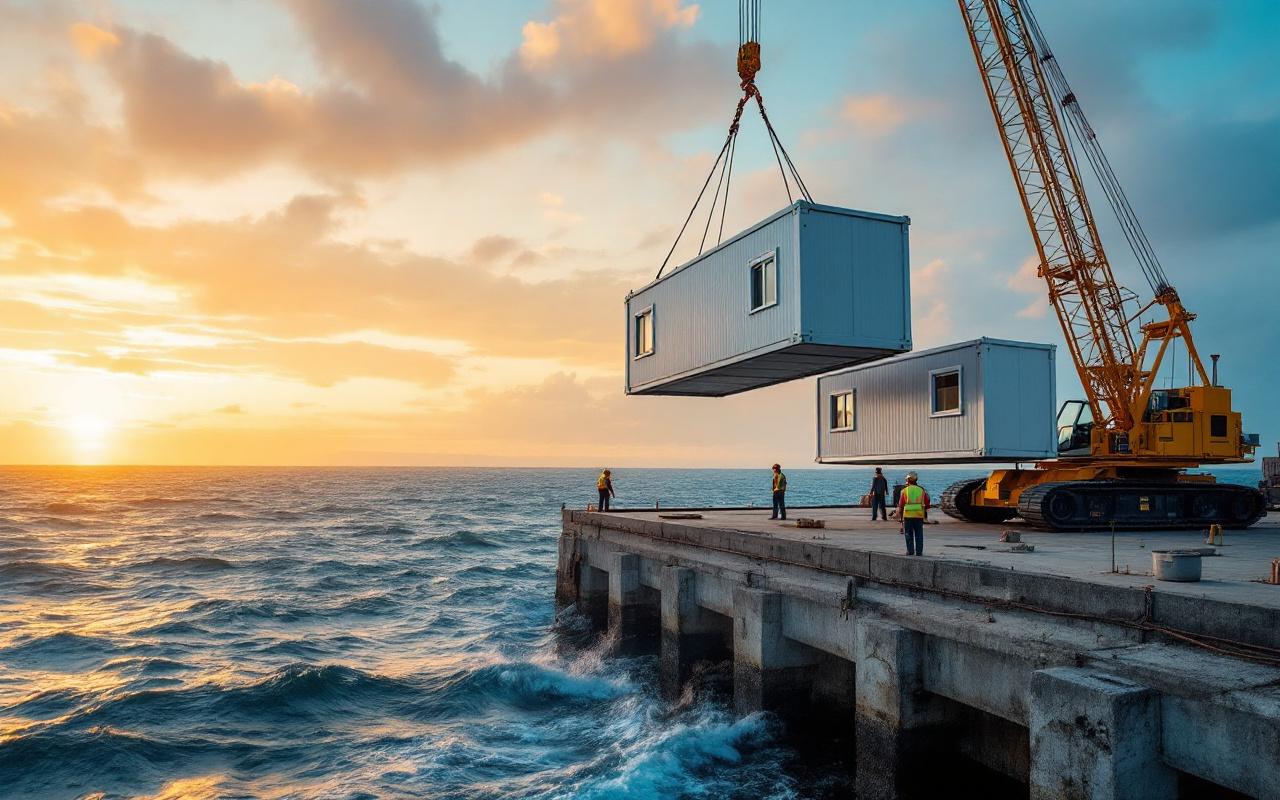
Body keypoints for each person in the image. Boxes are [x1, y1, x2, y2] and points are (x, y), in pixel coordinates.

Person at [897, 471, 930, 556]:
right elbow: (927, 503)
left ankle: (910, 551)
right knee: (919, 534)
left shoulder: (904, 491)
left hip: (907, 516)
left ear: (908, 480)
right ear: (916, 480)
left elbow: (901, 506)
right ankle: (919, 552)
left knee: (908, 534)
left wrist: (900, 519)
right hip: (919, 516)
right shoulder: (921, 490)